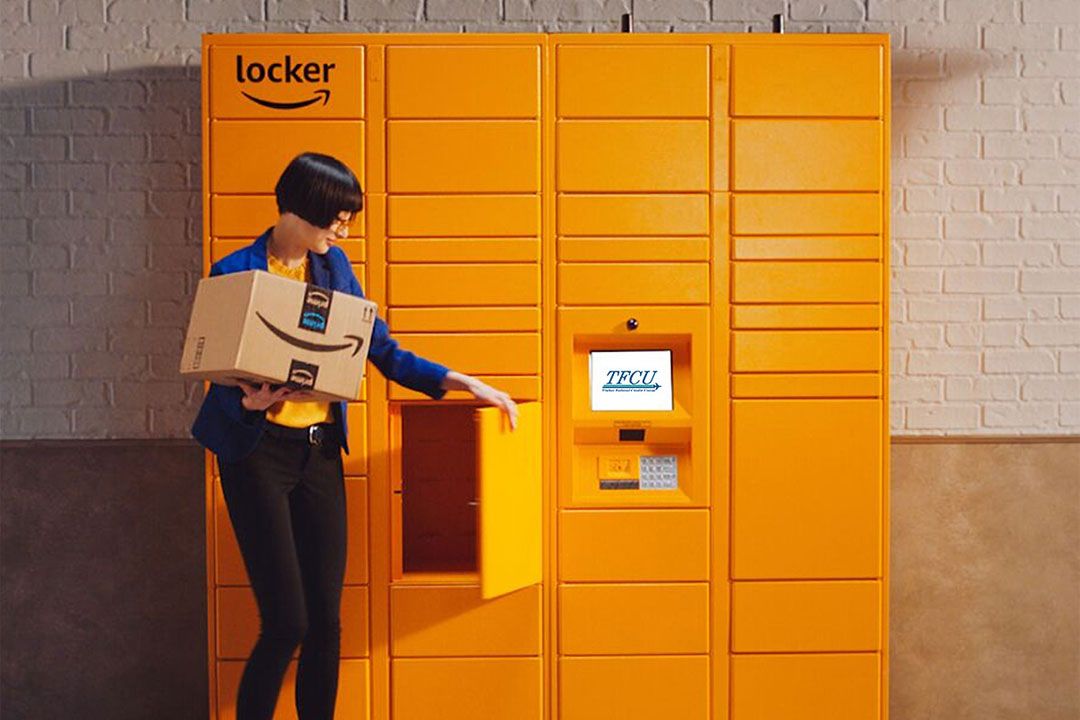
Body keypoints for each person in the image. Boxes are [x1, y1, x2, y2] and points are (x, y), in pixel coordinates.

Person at [190, 151, 518, 720]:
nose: (342, 231)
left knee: (325, 618)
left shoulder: (335, 268)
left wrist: (464, 383)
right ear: (300, 209)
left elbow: (381, 348)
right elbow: (219, 367)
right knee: (286, 620)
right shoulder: (235, 272)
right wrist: (249, 402)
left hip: (317, 453)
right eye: (336, 219)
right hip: (256, 454)